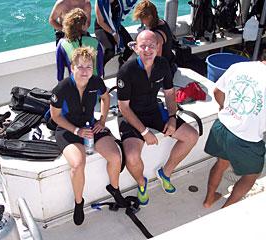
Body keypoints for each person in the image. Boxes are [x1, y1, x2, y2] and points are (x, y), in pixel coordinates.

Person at [117, 30, 198, 204]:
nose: (147, 49)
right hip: (131, 115)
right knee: (131, 156)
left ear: (158, 47)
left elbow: (169, 93)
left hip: (153, 109)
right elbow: (123, 107)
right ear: (136, 48)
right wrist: (144, 132)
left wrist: (172, 117)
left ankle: (166, 172)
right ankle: (141, 183)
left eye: (151, 45)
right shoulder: (127, 70)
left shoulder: (162, 64)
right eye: (143, 46)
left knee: (191, 136)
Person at [50, 46, 127, 225]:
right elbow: (55, 116)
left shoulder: (96, 82)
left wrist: (101, 120)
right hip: (68, 130)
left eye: (89, 67)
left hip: (90, 126)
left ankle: (114, 189)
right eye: (80, 67)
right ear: (72, 68)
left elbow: (106, 98)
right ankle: (79, 203)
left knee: (115, 156)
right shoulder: (61, 89)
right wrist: (76, 131)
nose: (85, 72)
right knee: (78, 164)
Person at [203, 51, 266, 209]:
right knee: (251, 175)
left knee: (221, 163)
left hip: (222, 127)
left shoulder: (238, 66)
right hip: (246, 140)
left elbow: (217, 92)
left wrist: (227, 110)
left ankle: (209, 199)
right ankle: (225, 210)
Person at [56, 8, 104, 81]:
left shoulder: (61, 44)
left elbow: (60, 74)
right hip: (94, 85)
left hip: (75, 86)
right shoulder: (96, 42)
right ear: (83, 26)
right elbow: (100, 71)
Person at [133, 0, 177, 75]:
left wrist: (136, 49)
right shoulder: (161, 22)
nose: (142, 22)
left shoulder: (156, 35)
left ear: (149, 17)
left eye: (142, 19)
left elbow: (156, 61)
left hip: (164, 71)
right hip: (170, 63)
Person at [94, 0, 137, 67]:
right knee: (110, 51)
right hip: (101, 27)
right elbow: (100, 22)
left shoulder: (121, 1)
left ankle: (122, 61)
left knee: (130, 46)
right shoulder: (100, 1)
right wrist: (114, 33)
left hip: (115, 25)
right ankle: (98, 68)